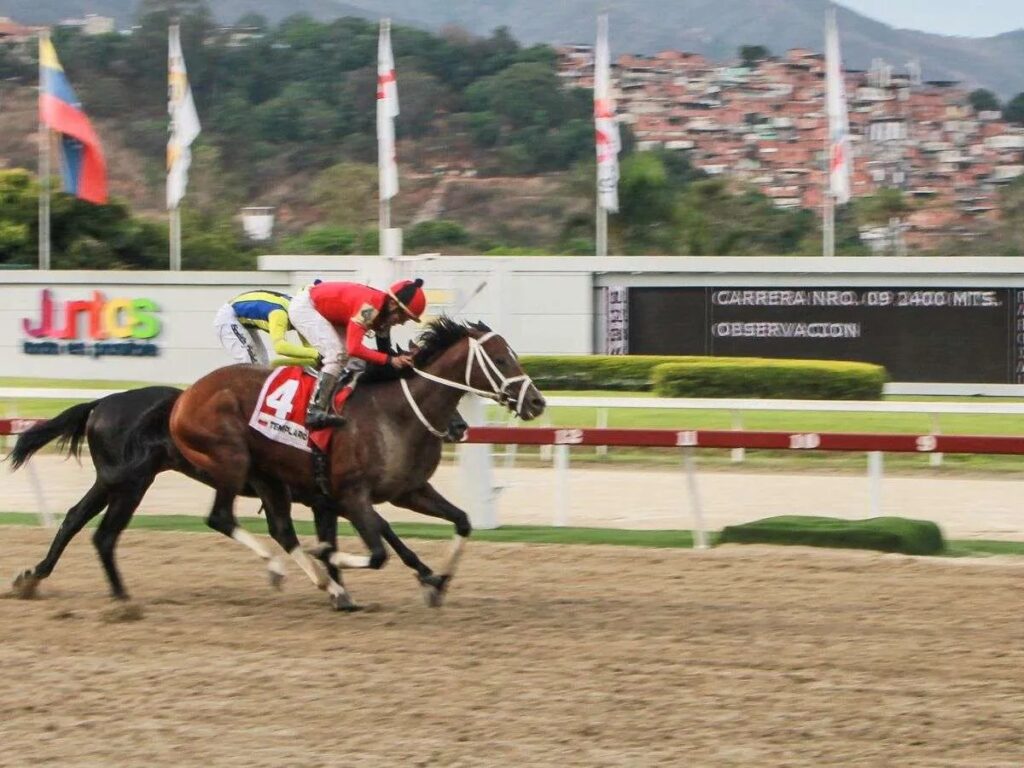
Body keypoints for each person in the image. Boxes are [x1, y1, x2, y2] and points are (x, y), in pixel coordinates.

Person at [288, 278, 426, 429]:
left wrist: (402, 360)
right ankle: (314, 411)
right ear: (393, 304)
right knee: (337, 355)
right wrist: (391, 360)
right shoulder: (369, 309)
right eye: (404, 317)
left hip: (330, 313)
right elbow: (355, 348)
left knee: (351, 360)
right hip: (307, 308)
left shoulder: (384, 313)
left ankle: (336, 398)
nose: (402, 323)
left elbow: (384, 352)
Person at [214, 289, 320, 367]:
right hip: (229, 317)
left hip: (242, 316)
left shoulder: (299, 313)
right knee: (249, 362)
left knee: (263, 362)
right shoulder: (279, 314)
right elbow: (280, 347)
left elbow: (309, 348)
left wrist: (320, 355)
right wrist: (317, 354)